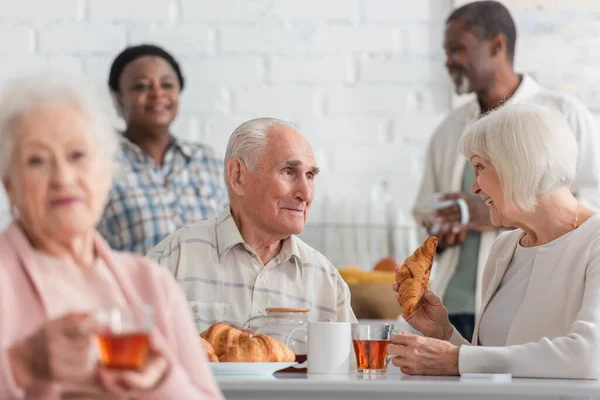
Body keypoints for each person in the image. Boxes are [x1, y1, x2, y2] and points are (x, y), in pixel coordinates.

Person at [0, 72, 223, 399]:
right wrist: (20, 365)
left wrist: (164, 380)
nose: (62, 177)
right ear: (10, 186)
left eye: (77, 155)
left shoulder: (151, 282)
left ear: (106, 172)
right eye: (37, 161)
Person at [412, 0, 600, 341]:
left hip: (547, 295)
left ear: (497, 46)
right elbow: (425, 211)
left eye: (459, 49)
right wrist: (442, 230)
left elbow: (587, 202)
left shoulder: (563, 115)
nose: (449, 61)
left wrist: (504, 210)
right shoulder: (450, 130)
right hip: (461, 300)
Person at [389, 103, 600, 378]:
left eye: (479, 167)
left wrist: (457, 359)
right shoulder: (505, 248)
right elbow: (491, 365)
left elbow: (589, 356)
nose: (473, 187)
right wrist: (444, 334)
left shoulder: (594, 240)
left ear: (518, 164)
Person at [147, 118, 357, 332]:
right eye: (288, 172)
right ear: (237, 176)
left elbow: (354, 365)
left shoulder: (327, 280)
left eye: (310, 176)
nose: (306, 193)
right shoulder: (172, 260)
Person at [98, 44, 228, 255]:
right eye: (141, 86)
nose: (157, 93)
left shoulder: (208, 161)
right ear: (118, 97)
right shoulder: (99, 162)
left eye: (167, 85)